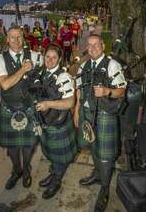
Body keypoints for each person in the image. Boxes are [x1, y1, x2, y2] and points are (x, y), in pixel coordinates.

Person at [74, 34, 126, 212]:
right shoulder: (83, 66)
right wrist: (76, 111)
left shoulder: (112, 65)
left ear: (103, 46)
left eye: (96, 45)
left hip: (104, 114)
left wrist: (106, 91)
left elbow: (121, 90)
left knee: (105, 155)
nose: (93, 48)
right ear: (86, 48)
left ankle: (105, 188)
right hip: (87, 113)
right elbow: (80, 92)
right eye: (89, 45)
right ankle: (97, 175)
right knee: (93, 147)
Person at [0, 25, 43, 190]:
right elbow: (5, 84)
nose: (16, 40)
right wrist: (23, 69)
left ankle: (27, 169)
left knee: (29, 144)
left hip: (29, 107)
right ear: (7, 39)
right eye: (12, 37)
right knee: (12, 145)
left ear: (24, 38)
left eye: (19, 37)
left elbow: (46, 76)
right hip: (9, 108)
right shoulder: (0, 59)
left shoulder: (36, 56)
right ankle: (16, 170)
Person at [36, 43, 77, 199]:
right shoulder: (43, 73)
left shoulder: (64, 77)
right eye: (47, 57)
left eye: (54, 57)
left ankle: (57, 180)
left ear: (60, 59)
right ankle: (53, 173)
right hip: (46, 122)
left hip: (59, 124)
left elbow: (70, 103)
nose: (50, 60)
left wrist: (48, 104)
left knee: (60, 155)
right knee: (51, 152)